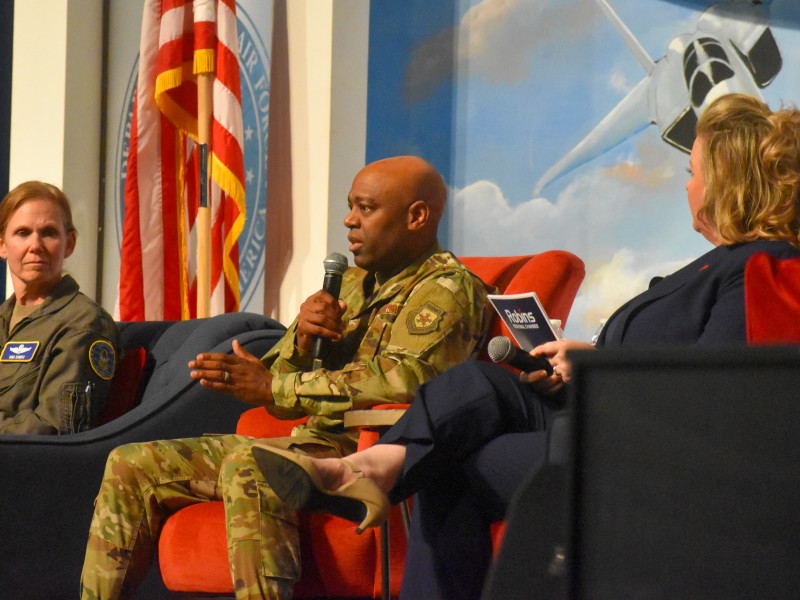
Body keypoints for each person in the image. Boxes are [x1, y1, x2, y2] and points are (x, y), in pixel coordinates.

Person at [252, 93, 800, 600]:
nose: (686, 186)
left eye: (692, 172)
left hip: (639, 444)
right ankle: (378, 462)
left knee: (445, 463)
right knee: (477, 381)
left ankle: (374, 468)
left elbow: (716, 387)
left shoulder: (765, 265)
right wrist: (581, 361)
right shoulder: (712, 265)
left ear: (728, 183)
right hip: (589, 410)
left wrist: (602, 367)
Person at [79, 155, 493, 599]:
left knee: (253, 465)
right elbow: (275, 396)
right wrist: (300, 345)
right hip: (308, 438)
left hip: (375, 454)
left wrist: (276, 386)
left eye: (366, 209)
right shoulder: (349, 285)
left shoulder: (448, 288)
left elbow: (403, 381)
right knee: (130, 462)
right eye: (350, 206)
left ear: (416, 216)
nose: (349, 221)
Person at [0, 181, 119, 435]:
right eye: (22, 233)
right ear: (2, 245)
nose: (35, 245)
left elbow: (53, 428)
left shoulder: (83, 324)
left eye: (49, 233)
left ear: (69, 243)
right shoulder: (3, 318)